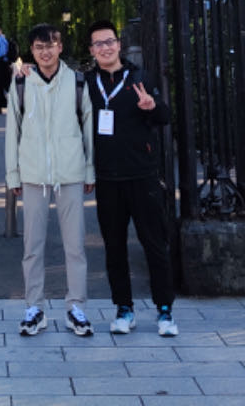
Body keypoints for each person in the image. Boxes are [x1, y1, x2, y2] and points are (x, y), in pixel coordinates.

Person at [84, 20, 178, 338]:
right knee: (114, 247)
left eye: (109, 41)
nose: (105, 48)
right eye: (98, 44)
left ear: (119, 44)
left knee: (155, 244)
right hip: (108, 178)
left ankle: (164, 310)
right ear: (91, 50)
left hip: (142, 174)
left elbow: (164, 116)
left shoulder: (140, 77)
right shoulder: (87, 83)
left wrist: (151, 106)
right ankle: (124, 308)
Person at [5, 22, 94, 337]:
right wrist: (13, 174)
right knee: (32, 246)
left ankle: (76, 306)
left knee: (75, 245)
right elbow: (12, 130)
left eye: (50, 45)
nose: (45, 52)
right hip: (33, 174)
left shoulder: (77, 81)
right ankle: (34, 307)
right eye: (39, 47)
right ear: (32, 50)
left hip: (70, 172)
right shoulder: (21, 83)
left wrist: (89, 169)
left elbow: (87, 126)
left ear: (60, 47)